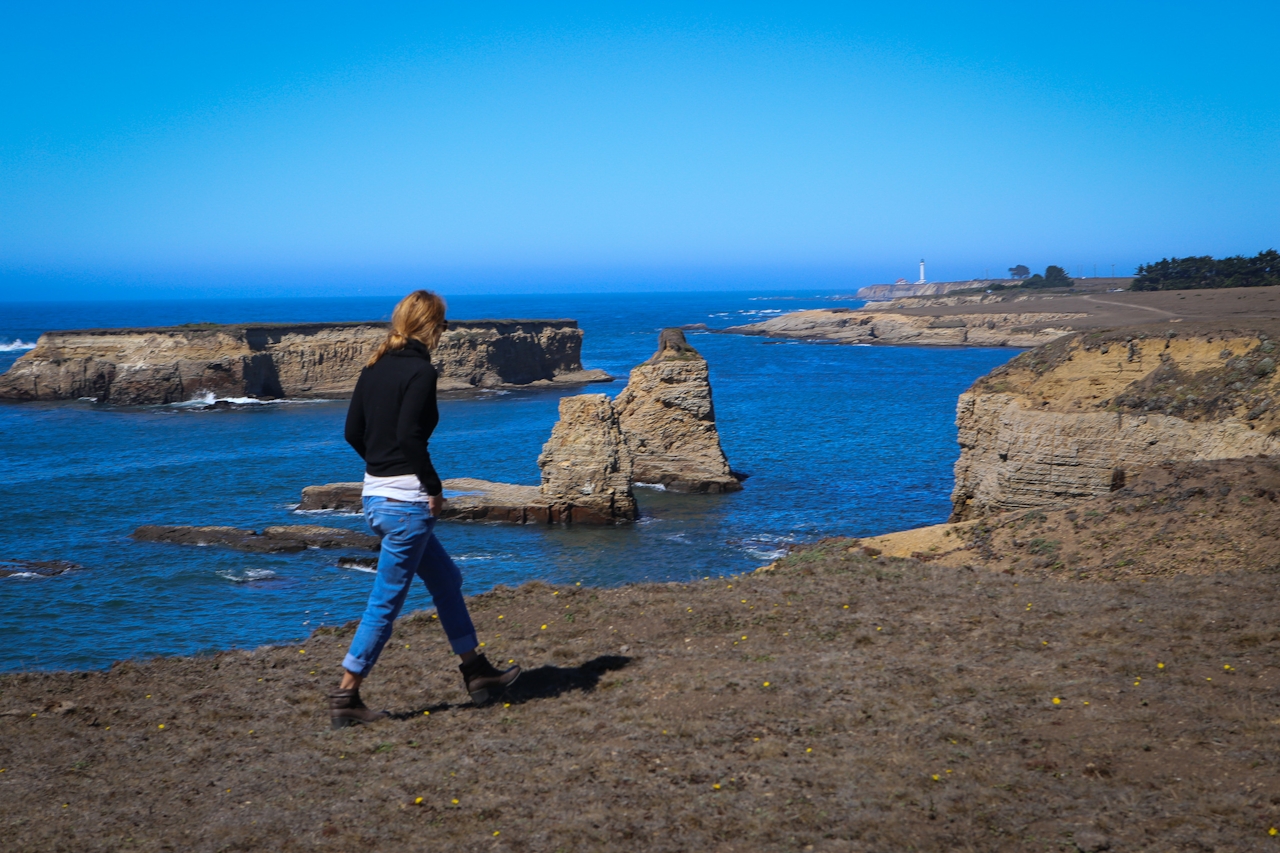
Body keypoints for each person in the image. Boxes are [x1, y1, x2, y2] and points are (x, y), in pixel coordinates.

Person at [329, 290, 520, 729]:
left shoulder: (373, 367)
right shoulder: (420, 371)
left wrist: (381, 467)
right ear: (430, 325)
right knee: (385, 602)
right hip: (407, 504)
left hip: (375, 497)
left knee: (447, 578)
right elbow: (411, 437)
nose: (445, 331)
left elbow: (352, 432)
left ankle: (477, 673)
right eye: (444, 323)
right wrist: (432, 487)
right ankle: (345, 695)